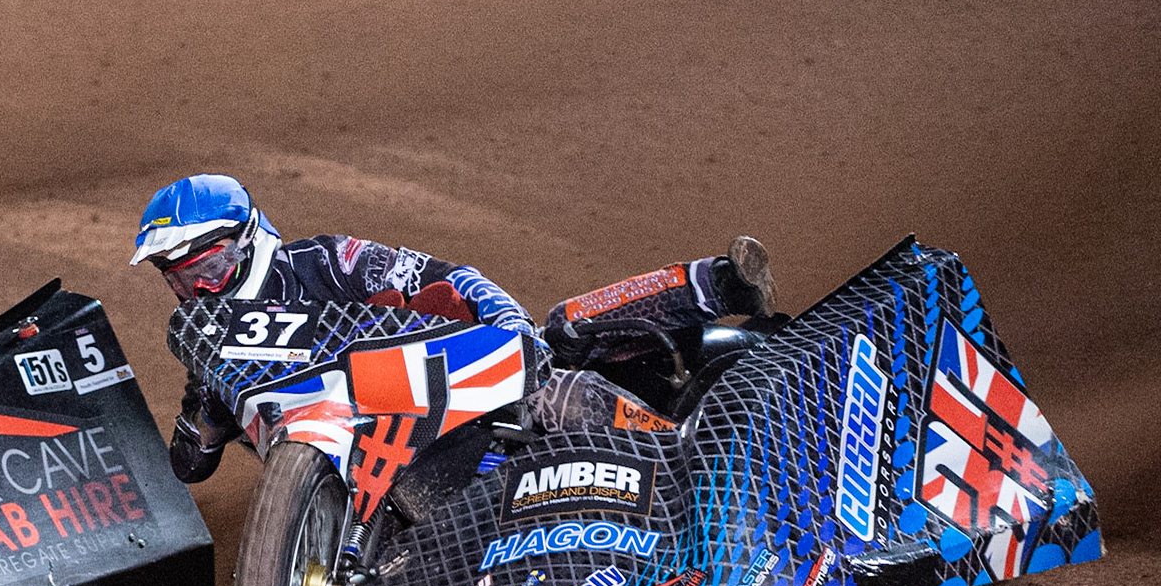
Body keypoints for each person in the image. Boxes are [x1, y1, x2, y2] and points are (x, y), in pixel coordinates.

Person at [130, 173, 776, 482]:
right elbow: (189, 465)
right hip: (367, 466)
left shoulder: (321, 262)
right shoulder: (214, 355)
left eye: (206, 267)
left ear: (246, 242)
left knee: (558, 342)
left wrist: (501, 322)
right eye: (178, 278)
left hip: (439, 400)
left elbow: (434, 276)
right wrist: (195, 431)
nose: (197, 290)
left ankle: (693, 444)